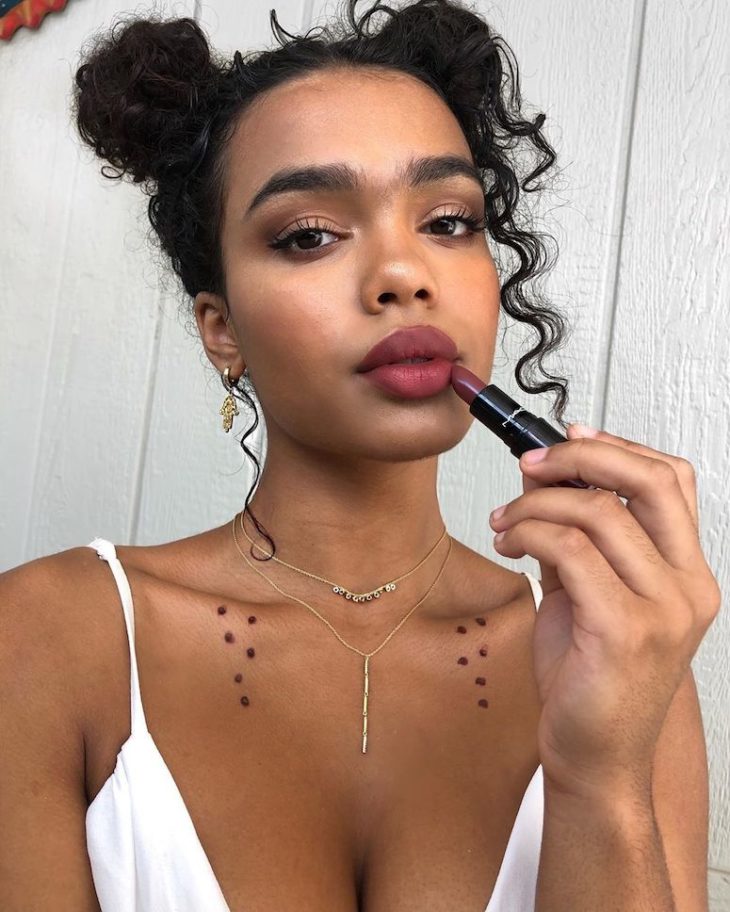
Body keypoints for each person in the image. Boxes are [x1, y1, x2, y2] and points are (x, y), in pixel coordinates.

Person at [0, 1, 720, 909]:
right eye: (310, 234)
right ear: (222, 329)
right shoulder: (48, 636)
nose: (403, 274)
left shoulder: (622, 649)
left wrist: (601, 775)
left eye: (449, 221)